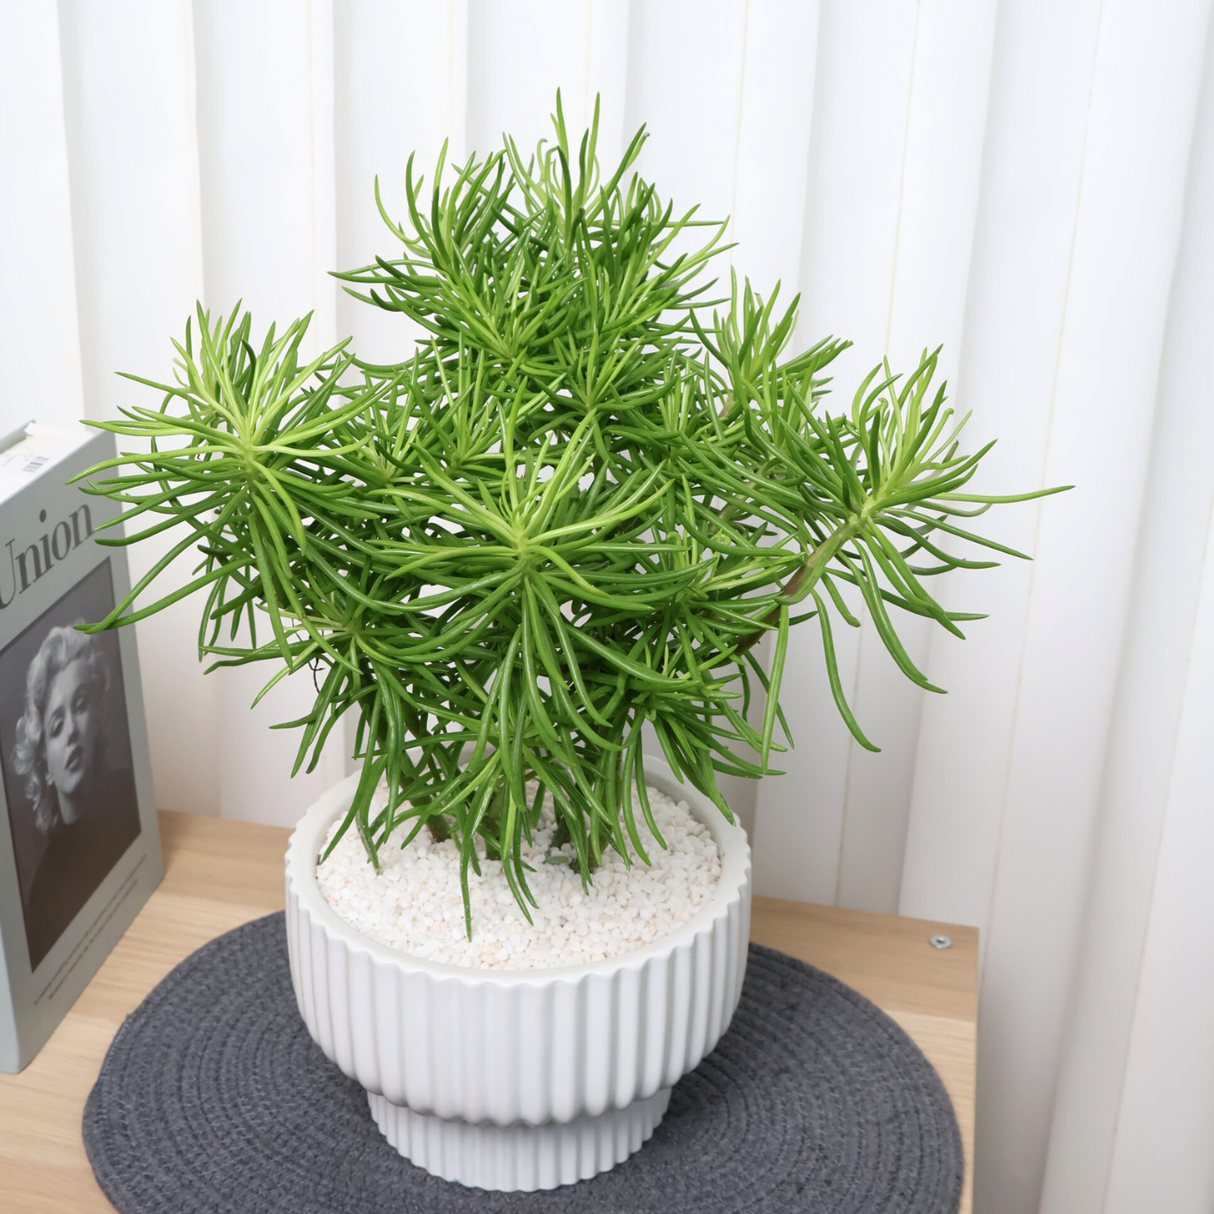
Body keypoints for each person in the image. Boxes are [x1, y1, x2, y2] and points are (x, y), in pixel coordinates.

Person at [11, 624, 140, 969]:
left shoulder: (132, 802)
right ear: (44, 760)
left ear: (97, 719)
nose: (70, 731)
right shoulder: (44, 894)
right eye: (55, 727)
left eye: (80, 706)